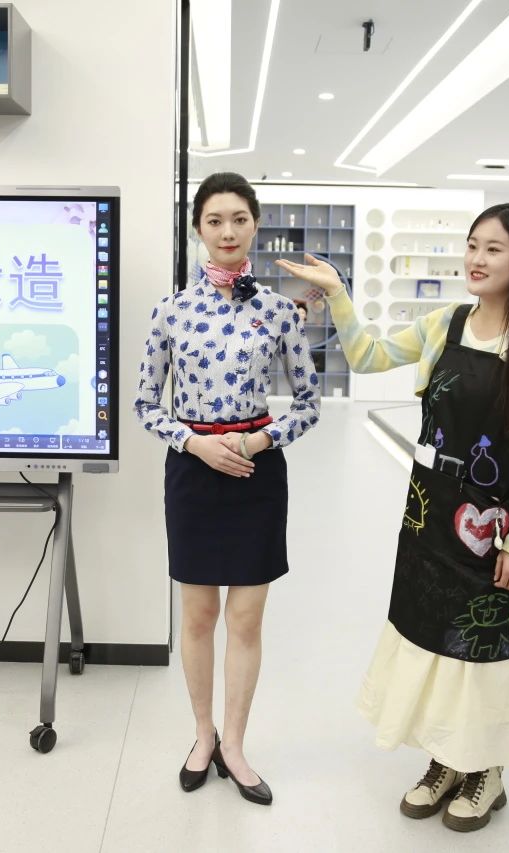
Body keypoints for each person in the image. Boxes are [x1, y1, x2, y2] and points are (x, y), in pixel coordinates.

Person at [276, 203, 509, 832]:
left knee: (481, 647)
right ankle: (444, 758)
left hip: (493, 529)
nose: (476, 259)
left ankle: (485, 769)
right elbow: (368, 357)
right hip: (428, 516)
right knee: (430, 637)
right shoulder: (445, 324)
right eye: (472, 245)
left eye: (493, 249)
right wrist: (338, 293)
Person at [134, 171, 321, 806]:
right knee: (197, 615)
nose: (227, 231)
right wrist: (194, 442)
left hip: (255, 471)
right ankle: (202, 734)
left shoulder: (279, 311)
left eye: (239, 218)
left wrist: (257, 442)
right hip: (193, 469)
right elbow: (144, 404)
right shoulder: (171, 311)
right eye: (214, 220)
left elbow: (308, 403)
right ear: (198, 229)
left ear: (255, 226)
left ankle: (234, 744)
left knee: (245, 618)